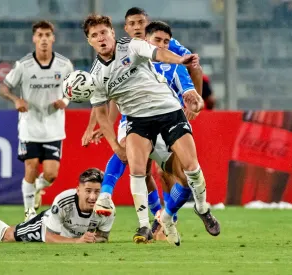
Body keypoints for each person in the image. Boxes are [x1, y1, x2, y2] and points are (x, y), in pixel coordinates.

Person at [83, 13, 220, 246]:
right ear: (90, 41)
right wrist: (112, 144)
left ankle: (196, 209)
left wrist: (181, 62)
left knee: (189, 171)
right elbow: (103, 111)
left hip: (168, 111)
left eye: (104, 32)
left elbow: (161, 54)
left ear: (113, 33)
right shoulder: (95, 75)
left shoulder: (136, 46)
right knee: (138, 170)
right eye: (95, 35)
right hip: (137, 119)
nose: (101, 38)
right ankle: (143, 222)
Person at [0, 20, 74, 221]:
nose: (43, 39)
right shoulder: (23, 65)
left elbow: (74, 87)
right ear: (34, 38)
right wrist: (16, 100)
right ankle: (29, 211)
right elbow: (4, 88)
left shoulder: (64, 64)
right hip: (29, 125)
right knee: (30, 165)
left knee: (51, 175)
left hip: (54, 126)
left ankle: (38, 189)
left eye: (47, 35)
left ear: (53, 38)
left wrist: (66, 99)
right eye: (40, 35)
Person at [0, 168, 114, 244]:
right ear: (78, 190)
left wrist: (94, 239)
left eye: (97, 192)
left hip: (71, 234)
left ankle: (30, 212)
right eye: (88, 191)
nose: (93, 197)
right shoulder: (63, 202)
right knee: (8, 236)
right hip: (46, 226)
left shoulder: (107, 208)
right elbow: (49, 237)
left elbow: (103, 237)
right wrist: (78, 241)